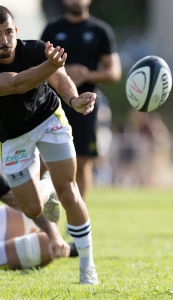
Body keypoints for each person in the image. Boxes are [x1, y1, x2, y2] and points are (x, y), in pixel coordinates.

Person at [0, 5, 98, 284]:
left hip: (48, 119)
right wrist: (50, 65)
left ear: (16, 31)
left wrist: (73, 99)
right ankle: (48, 185)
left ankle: (87, 267)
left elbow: (58, 77)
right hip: (12, 136)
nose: (4, 40)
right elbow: (16, 84)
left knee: (70, 192)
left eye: (8, 32)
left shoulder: (34, 49)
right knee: (30, 209)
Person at [41, 0, 122, 200]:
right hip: (54, 103)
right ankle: (44, 210)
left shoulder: (100, 30)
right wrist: (64, 73)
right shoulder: (52, 28)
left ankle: (78, 220)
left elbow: (114, 72)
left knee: (83, 160)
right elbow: (38, 65)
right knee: (44, 160)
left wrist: (86, 75)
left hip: (88, 105)